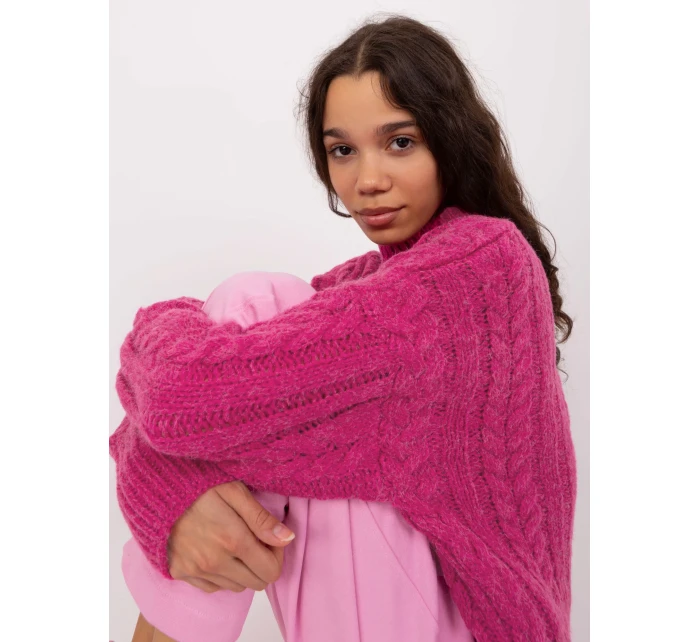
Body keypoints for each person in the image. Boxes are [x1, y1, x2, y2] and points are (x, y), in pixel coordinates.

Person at [110, 13, 577, 642]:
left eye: (400, 142)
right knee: (262, 321)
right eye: (343, 150)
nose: (368, 180)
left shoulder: (482, 264)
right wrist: (174, 490)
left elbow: (177, 397)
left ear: (451, 140)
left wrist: (164, 480)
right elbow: (182, 406)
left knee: (256, 303)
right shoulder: (370, 284)